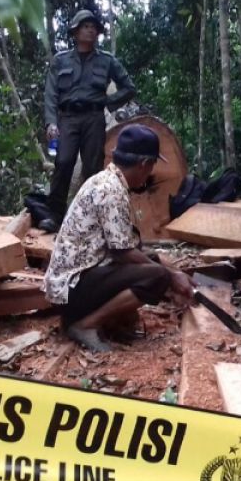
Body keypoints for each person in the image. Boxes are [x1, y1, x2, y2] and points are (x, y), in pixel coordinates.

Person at [43, 124, 195, 352]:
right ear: (144, 164)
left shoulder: (106, 180)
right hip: (73, 288)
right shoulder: (111, 190)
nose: (151, 171)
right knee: (157, 277)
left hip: (74, 283)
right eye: (152, 164)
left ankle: (112, 320)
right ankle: (86, 324)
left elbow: (125, 245)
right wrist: (171, 276)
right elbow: (122, 252)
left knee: (153, 261)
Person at [42, 9, 136, 230]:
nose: (90, 30)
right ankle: (55, 216)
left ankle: (91, 219)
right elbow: (50, 93)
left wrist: (108, 103)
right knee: (63, 162)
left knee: (93, 168)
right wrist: (50, 122)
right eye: (85, 26)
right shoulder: (60, 60)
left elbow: (129, 87)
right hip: (67, 118)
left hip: (94, 118)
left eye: (93, 27)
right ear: (75, 31)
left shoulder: (106, 61)